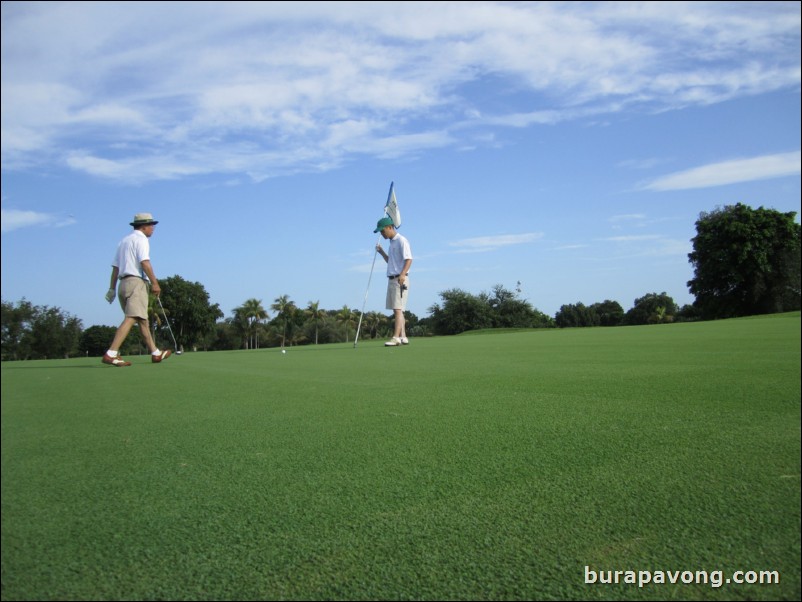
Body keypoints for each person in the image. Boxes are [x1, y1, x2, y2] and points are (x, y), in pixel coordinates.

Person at [102, 213, 171, 366]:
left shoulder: (123, 241)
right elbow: (145, 263)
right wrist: (155, 283)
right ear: (144, 226)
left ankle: (155, 353)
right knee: (132, 317)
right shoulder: (141, 240)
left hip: (123, 284)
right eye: (151, 225)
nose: (153, 228)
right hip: (136, 282)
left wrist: (112, 288)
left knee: (142, 320)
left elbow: (115, 268)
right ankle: (111, 353)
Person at [374, 216, 413, 346]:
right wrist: (381, 252)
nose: (382, 234)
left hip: (399, 279)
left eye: (382, 231)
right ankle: (403, 336)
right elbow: (390, 261)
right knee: (397, 309)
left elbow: (409, 259)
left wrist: (402, 274)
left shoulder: (402, 240)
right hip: (391, 278)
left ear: (390, 227)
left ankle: (396, 338)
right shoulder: (391, 244)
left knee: (398, 309)